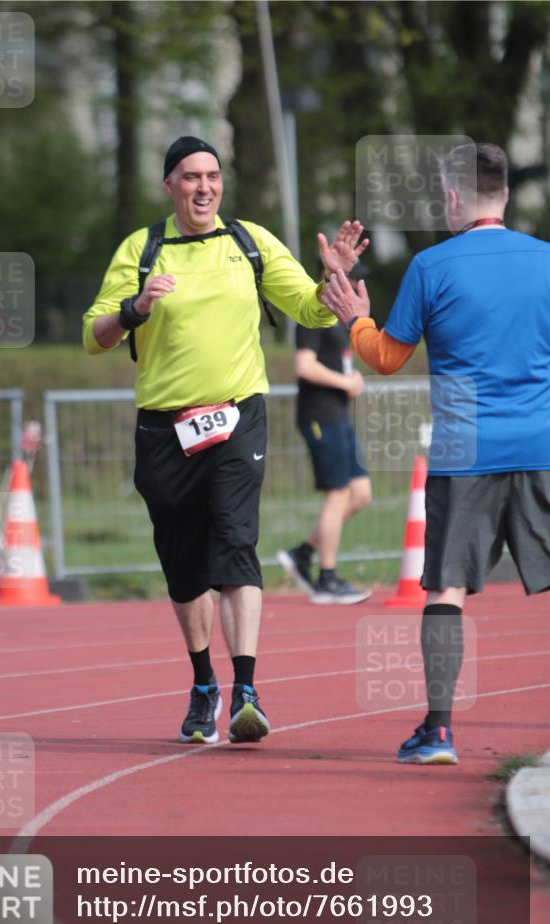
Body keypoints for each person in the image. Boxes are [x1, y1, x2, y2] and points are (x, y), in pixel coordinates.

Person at [83, 135, 368, 745]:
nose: (204, 187)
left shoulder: (250, 241)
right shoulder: (143, 249)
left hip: (238, 417)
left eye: (212, 175)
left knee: (237, 544)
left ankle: (247, 689)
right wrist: (135, 308)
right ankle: (203, 683)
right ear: (170, 185)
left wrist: (333, 276)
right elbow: (94, 335)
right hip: (164, 428)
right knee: (185, 565)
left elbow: (313, 311)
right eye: (190, 177)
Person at [323, 142, 550, 764]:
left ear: (452, 199)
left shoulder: (432, 265)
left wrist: (357, 320)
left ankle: (439, 731)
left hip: (465, 449)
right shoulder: (546, 261)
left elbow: (387, 360)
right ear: (506, 194)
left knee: (446, 588)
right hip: (542, 443)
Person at [277, 259, 373, 605]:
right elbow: (303, 365)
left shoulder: (342, 318)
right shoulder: (314, 312)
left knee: (360, 493)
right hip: (319, 415)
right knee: (338, 494)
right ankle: (326, 579)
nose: (359, 288)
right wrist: (345, 382)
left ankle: (303, 553)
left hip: (338, 414)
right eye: (353, 281)